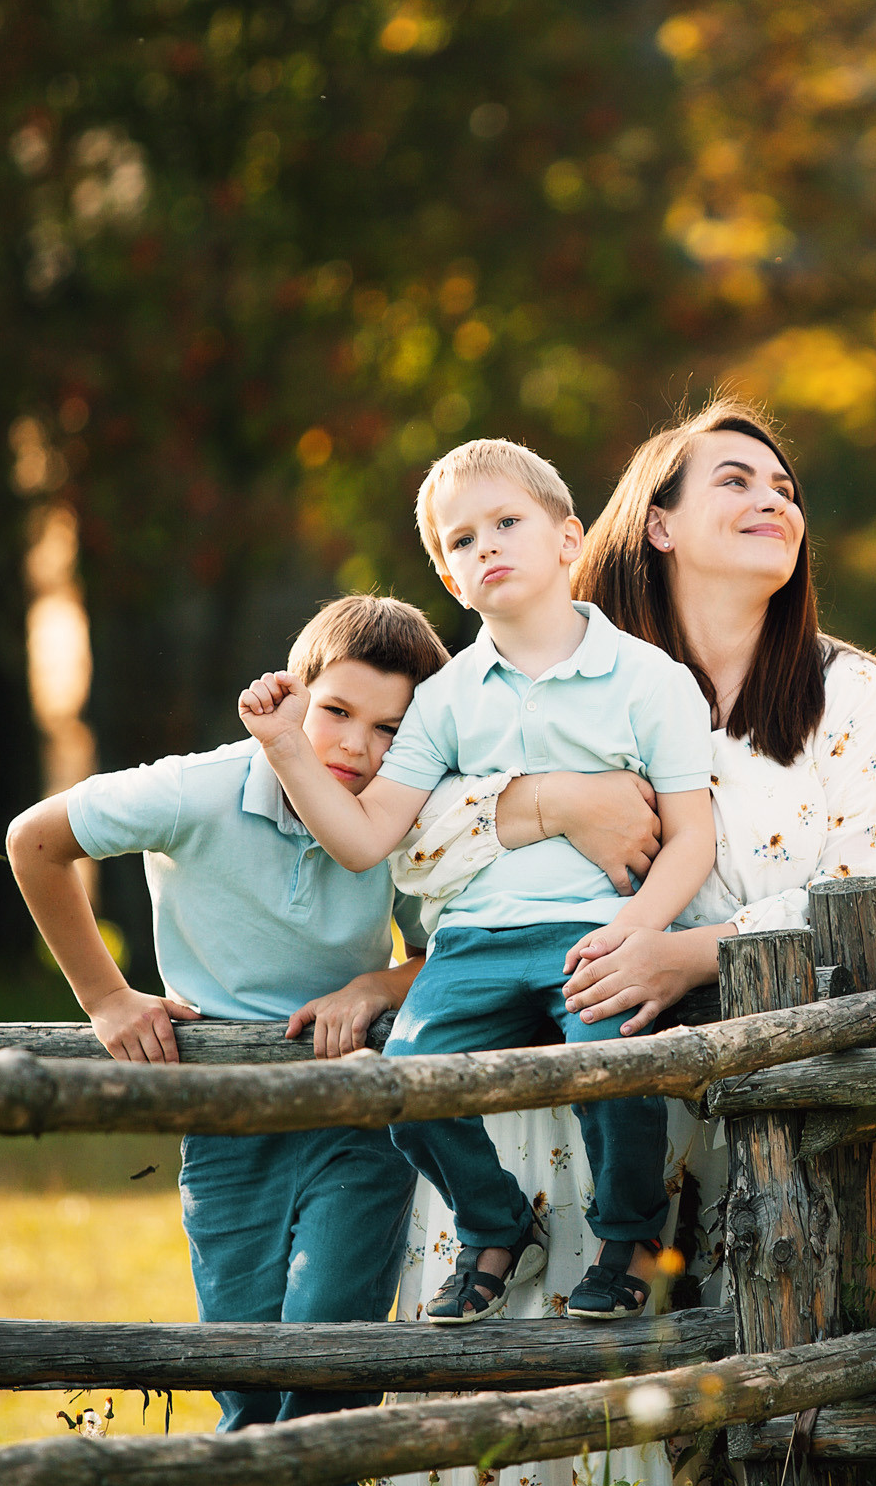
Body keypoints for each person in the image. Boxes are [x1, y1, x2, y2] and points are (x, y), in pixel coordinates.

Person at [380, 399, 876, 1486]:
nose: (774, 497)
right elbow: (411, 846)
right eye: (734, 479)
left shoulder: (848, 691)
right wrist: (548, 800)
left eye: (786, 487)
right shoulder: (564, 659)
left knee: (748, 1423)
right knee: (540, 1430)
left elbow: (868, 893)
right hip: (554, 1100)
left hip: (765, 1108)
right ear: (656, 523)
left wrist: (690, 952)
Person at [237, 437, 718, 1325]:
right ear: (451, 581)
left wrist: (642, 929)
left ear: (570, 539)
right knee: (408, 1081)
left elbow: (693, 835)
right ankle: (495, 1224)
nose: (486, 544)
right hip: (471, 945)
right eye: (461, 541)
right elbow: (365, 835)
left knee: (613, 1060)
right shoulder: (447, 698)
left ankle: (626, 1239)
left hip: (597, 926)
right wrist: (286, 748)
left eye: (506, 522)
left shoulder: (649, 679)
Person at [3, 594, 461, 1486]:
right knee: (244, 1370)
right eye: (336, 713)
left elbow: (466, 944)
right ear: (292, 699)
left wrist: (377, 984)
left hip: (352, 1106)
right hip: (224, 1117)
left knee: (330, 1356)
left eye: (389, 729)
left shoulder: (408, 813)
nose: (358, 749)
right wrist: (105, 995)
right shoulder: (201, 788)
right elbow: (34, 840)